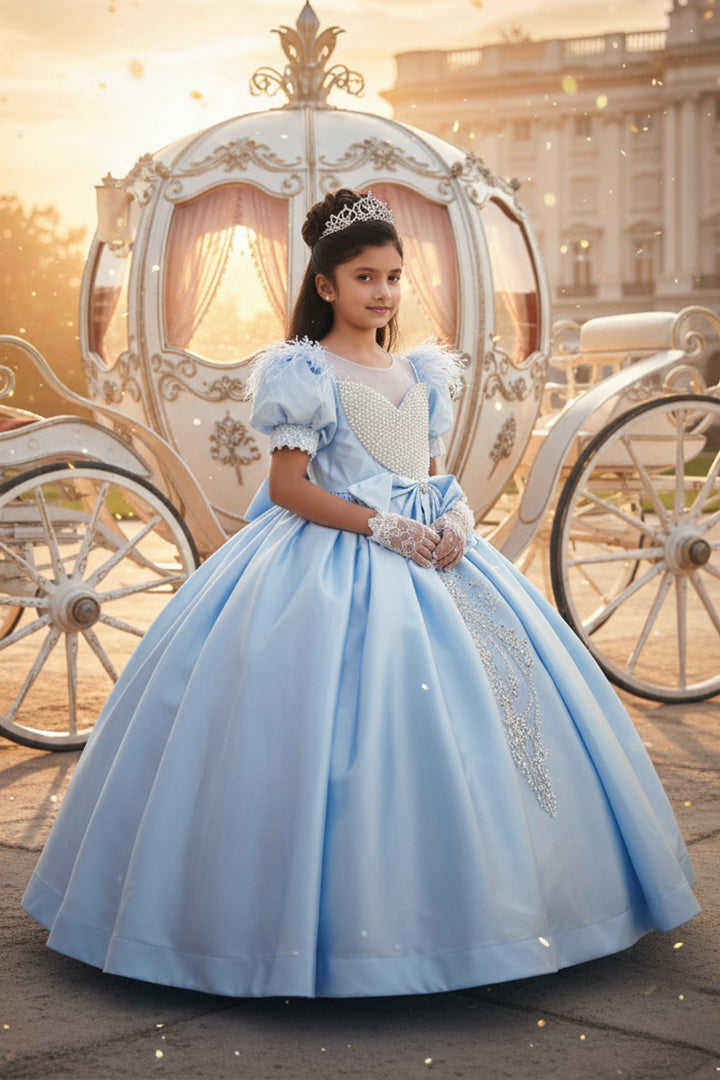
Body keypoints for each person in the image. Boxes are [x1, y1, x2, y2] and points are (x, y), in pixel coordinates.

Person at [22, 188, 699, 999]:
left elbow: (429, 465)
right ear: (327, 287)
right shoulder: (305, 373)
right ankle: (314, 934)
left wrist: (452, 512)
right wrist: (383, 528)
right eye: (364, 277)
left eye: (393, 276)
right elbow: (291, 487)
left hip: (439, 555)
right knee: (326, 730)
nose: (382, 292)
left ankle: (522, 901)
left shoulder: (419, 371)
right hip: (334, 554)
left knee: (501, 710)